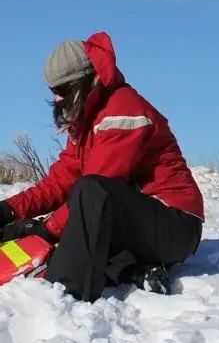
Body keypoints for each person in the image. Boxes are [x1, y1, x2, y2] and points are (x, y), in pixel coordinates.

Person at [0, 32, 205, 302]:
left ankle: (64, 291)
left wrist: (44, 229)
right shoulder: (87, 122)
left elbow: (96, 191)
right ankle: (134, 269)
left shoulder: (121, 112)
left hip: (175, 225)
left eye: (63, 90)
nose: (58, 100)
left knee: (88, 196)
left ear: (87, 81)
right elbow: (60, 182)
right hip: (141, 220)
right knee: (78, 223)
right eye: (53, 91)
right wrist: (10, 210)